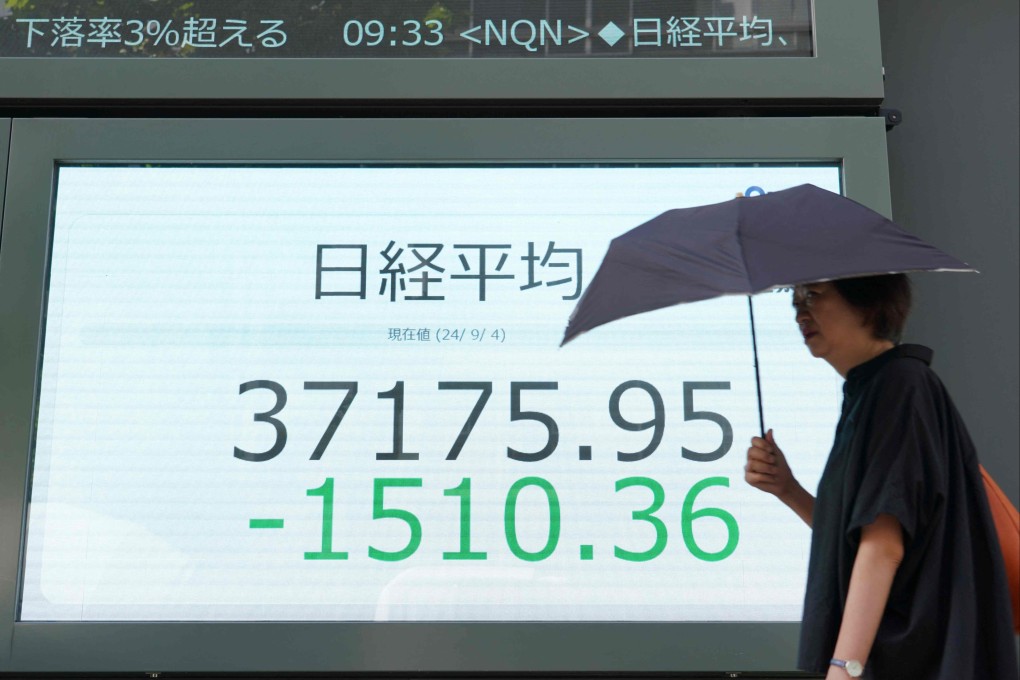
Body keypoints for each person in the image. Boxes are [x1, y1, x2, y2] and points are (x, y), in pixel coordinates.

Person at [744, 274, 1018, 679]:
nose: (799, 310)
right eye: (796, 298)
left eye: (814, 295)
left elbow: (883, 545)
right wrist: (787, 489)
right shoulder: (872, 389)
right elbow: (856, 537)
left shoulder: (900, 387)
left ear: (869, 303)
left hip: (918, 660)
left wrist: (844, 668)